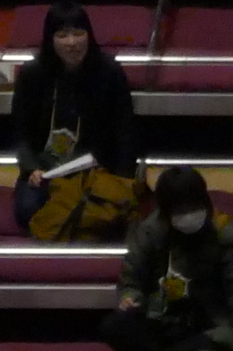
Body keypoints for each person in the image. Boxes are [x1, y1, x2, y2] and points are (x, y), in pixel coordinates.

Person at [106, 166, 233, 351]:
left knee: (202, 345)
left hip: (207, 326)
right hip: (161, 319)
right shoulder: (150, 232)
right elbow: (131, 280)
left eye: (194, 207)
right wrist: (129, 298)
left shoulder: (223, 234)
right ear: (166, 210)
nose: (189, 215)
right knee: (114, 326)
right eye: (180, 209)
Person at [9, 2, 139, 243]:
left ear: (89, 35)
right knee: (27, 209)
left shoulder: (109, 72)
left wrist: (123, 181)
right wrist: (31, 168)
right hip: (46, 169)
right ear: (50, 39)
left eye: (79, 33)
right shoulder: (32, 74)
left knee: (117, 212)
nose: (72, 42)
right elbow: (20, 133)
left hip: (94, 169)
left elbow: (125, 131)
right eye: (62, 35)